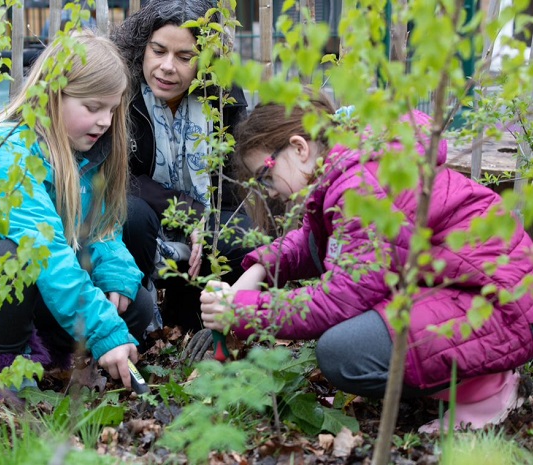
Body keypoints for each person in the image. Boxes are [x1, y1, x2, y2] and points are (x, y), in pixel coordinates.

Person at [200, 93, 533, 432]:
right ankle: (476, 375)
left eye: (265, 175)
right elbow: (316, 243)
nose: (269, 192)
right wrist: (260, 268)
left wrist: (243, 311)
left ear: (299, 148)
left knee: (344, 354)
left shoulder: (359, 184)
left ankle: (488, 392)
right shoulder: (354, 165)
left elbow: (339, 300)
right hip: (493, 294)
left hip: (497, 305)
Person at [0, 32, 153, 392]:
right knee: (15, 257)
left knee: (135, 305)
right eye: (93, 107)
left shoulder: (88, 153)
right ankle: (0, 371)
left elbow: (101, 230)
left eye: (112, 109)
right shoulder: (9, 153)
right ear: (52, 95)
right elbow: (46, 254)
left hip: (29, 279)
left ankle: (46, 354)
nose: (105, 121)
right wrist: (105, 332)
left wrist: (115, 270)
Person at [111, 0, 254, 332]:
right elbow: (115, 175)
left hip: (205, 218)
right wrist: (185, 210)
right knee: (130, 215)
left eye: (185, 57)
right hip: (147, 215)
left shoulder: (222, 95)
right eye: (158, 51)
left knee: (242, 234)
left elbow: (233, 183)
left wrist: (207, 222)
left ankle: (195, 317)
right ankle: (137, 324)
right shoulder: (121, 90)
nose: (167, 67)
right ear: (142, 47)